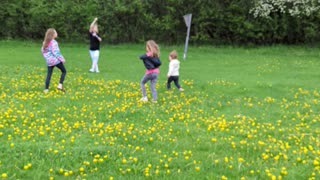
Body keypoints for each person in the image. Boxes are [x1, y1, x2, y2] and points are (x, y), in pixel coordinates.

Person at [41, 28, 67, 93]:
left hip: (49, 61)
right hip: (55, 61)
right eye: (56, 32)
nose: (57, 33)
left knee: (49, 75)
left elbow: (43, 51)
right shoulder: (54, 42)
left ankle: (46, 89)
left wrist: (47, 58)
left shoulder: (45, 42)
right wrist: (62, 59)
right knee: (64, 71)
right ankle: (60, 85)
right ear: (53, 35)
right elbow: (56, 52)